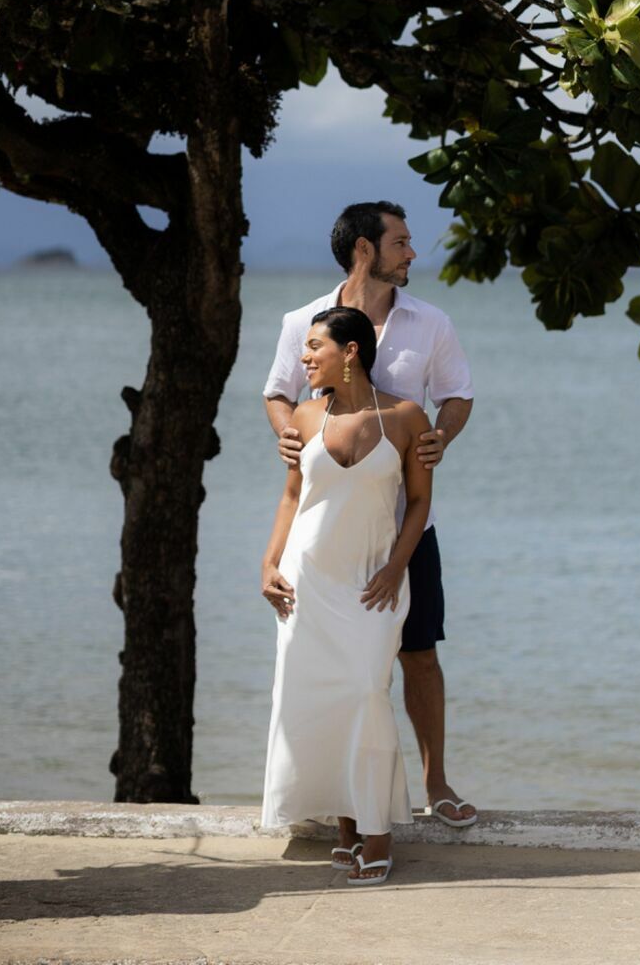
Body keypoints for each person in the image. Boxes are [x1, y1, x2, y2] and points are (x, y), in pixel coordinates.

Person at [263, 201, 477, 828]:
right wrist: (286, 435)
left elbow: (457, 394)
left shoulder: (430, 322)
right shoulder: (303, 322)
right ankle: (333, 799)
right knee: (327, 667)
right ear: (365, 248)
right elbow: (280, 393)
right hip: (327, 533)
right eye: (402, 241)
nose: (413, 253)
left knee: (419, 653)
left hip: (408, 527)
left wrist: (442, 434)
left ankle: (435, 784)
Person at [260, 306, 431, 887]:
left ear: (351, 350)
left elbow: (419, 503)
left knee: (365, 692)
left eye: (315, 347)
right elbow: (290, 499)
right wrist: (267, 562)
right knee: (320, 701)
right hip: (306, 581)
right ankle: (346, 830)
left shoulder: (407, 418)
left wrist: (396, 567)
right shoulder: (305, 417)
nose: (305, 357)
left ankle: (377, 831)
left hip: (371, 583)